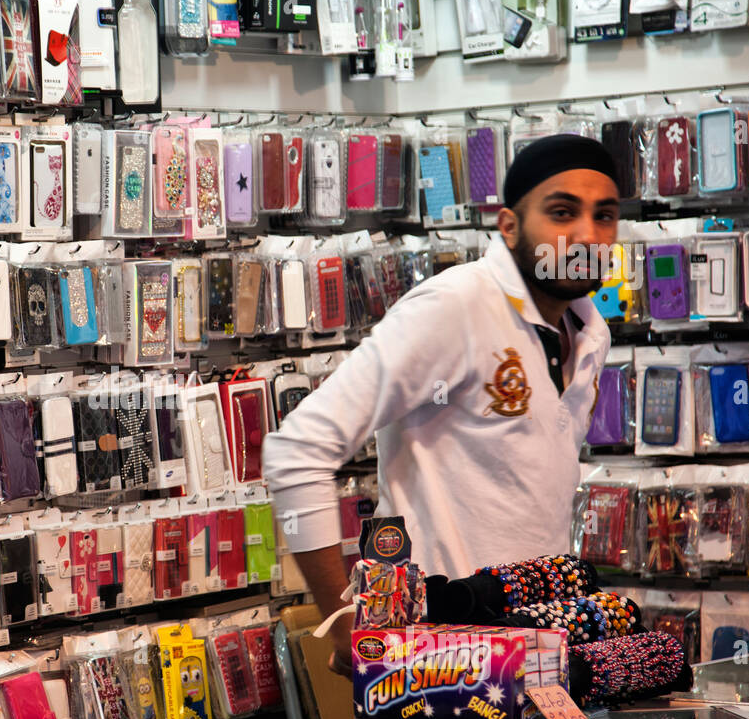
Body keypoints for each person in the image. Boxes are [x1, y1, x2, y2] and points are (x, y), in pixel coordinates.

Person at [262, 134, 621, 670]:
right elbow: (295, 452)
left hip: (533, 658)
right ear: (509, 225)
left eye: (605, 215)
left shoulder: (588, 332)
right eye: (563, 212)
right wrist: (347, 628)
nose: (587, 234)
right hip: (433, 671)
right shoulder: (457, 306)